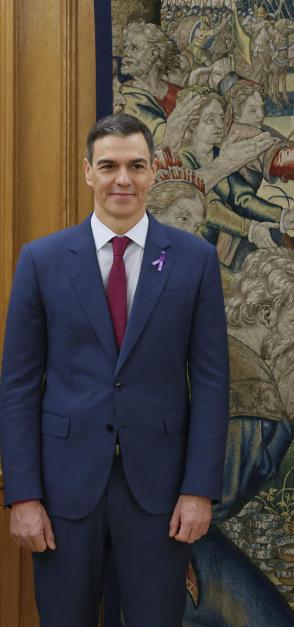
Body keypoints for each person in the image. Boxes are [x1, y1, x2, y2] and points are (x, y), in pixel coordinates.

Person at [0, 113, 229, 626]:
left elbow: (212, 383)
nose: (122, 179)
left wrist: (198, 489)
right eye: (108, 166)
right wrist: (23, 494)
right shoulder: (43, 260)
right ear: (88, 172)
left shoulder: (194, 261)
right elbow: (17, 387)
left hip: (161, 494)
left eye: (135, 166)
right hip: (63, 492)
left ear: (152, 173)